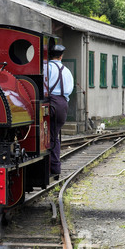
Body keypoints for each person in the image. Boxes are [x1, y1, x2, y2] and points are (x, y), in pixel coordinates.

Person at [48, 44, 74, 175]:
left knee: (49, 137)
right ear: (61, 56)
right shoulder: (67, 71)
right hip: (63, 103)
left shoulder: (46, 68)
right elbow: (70, 90)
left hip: (50, 103)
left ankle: (53, 167)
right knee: (55, 136)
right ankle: (54, 166)